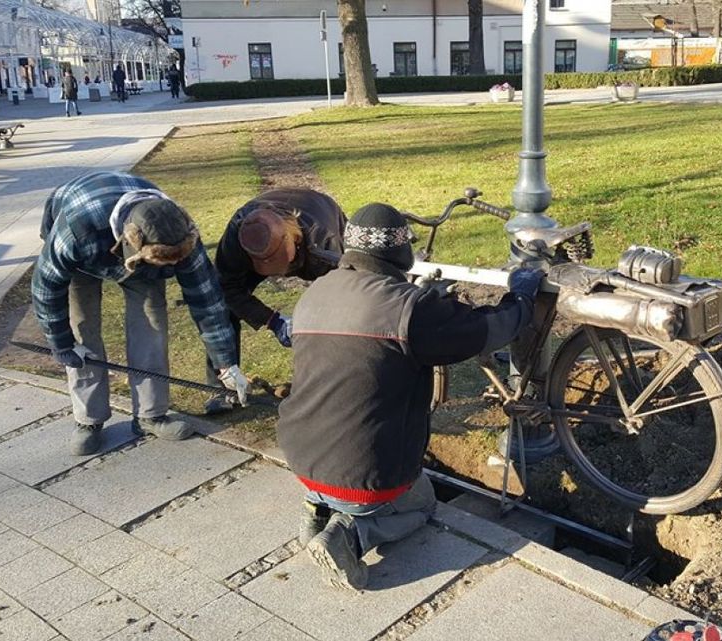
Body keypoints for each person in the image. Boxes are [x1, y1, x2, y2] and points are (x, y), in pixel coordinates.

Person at [277, 203, 545, 590]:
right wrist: (520, 299)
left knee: (338, 468)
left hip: (300, 456)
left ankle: (318, 510)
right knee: (423, 503)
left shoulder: (315, 293)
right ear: (400, 253)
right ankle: (352, 535)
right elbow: (485, 330)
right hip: (365, 473)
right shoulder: (407, 307)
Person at [32, 171, 250, 456]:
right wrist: (62, 344)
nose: (163, 271)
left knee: (152, 320)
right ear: (128, 243)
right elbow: (46, 289)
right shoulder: (75, 231)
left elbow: (207, 301)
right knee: (82, 327)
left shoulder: (181, 233)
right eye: (158, 262)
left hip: (135, 245)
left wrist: (226, 364)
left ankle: (151, 414)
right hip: (85, 253)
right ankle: (88, 421)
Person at [203, 188, 346, 414]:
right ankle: (223, 387)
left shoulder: (325, 241)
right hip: (260, 244)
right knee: (223, 308)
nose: (278, 274)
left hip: (319, 212)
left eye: (279, 263)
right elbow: (226, 288)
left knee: (338, 313)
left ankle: (333, 384)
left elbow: (343, 296)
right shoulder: (239, 236)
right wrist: (273, 320)